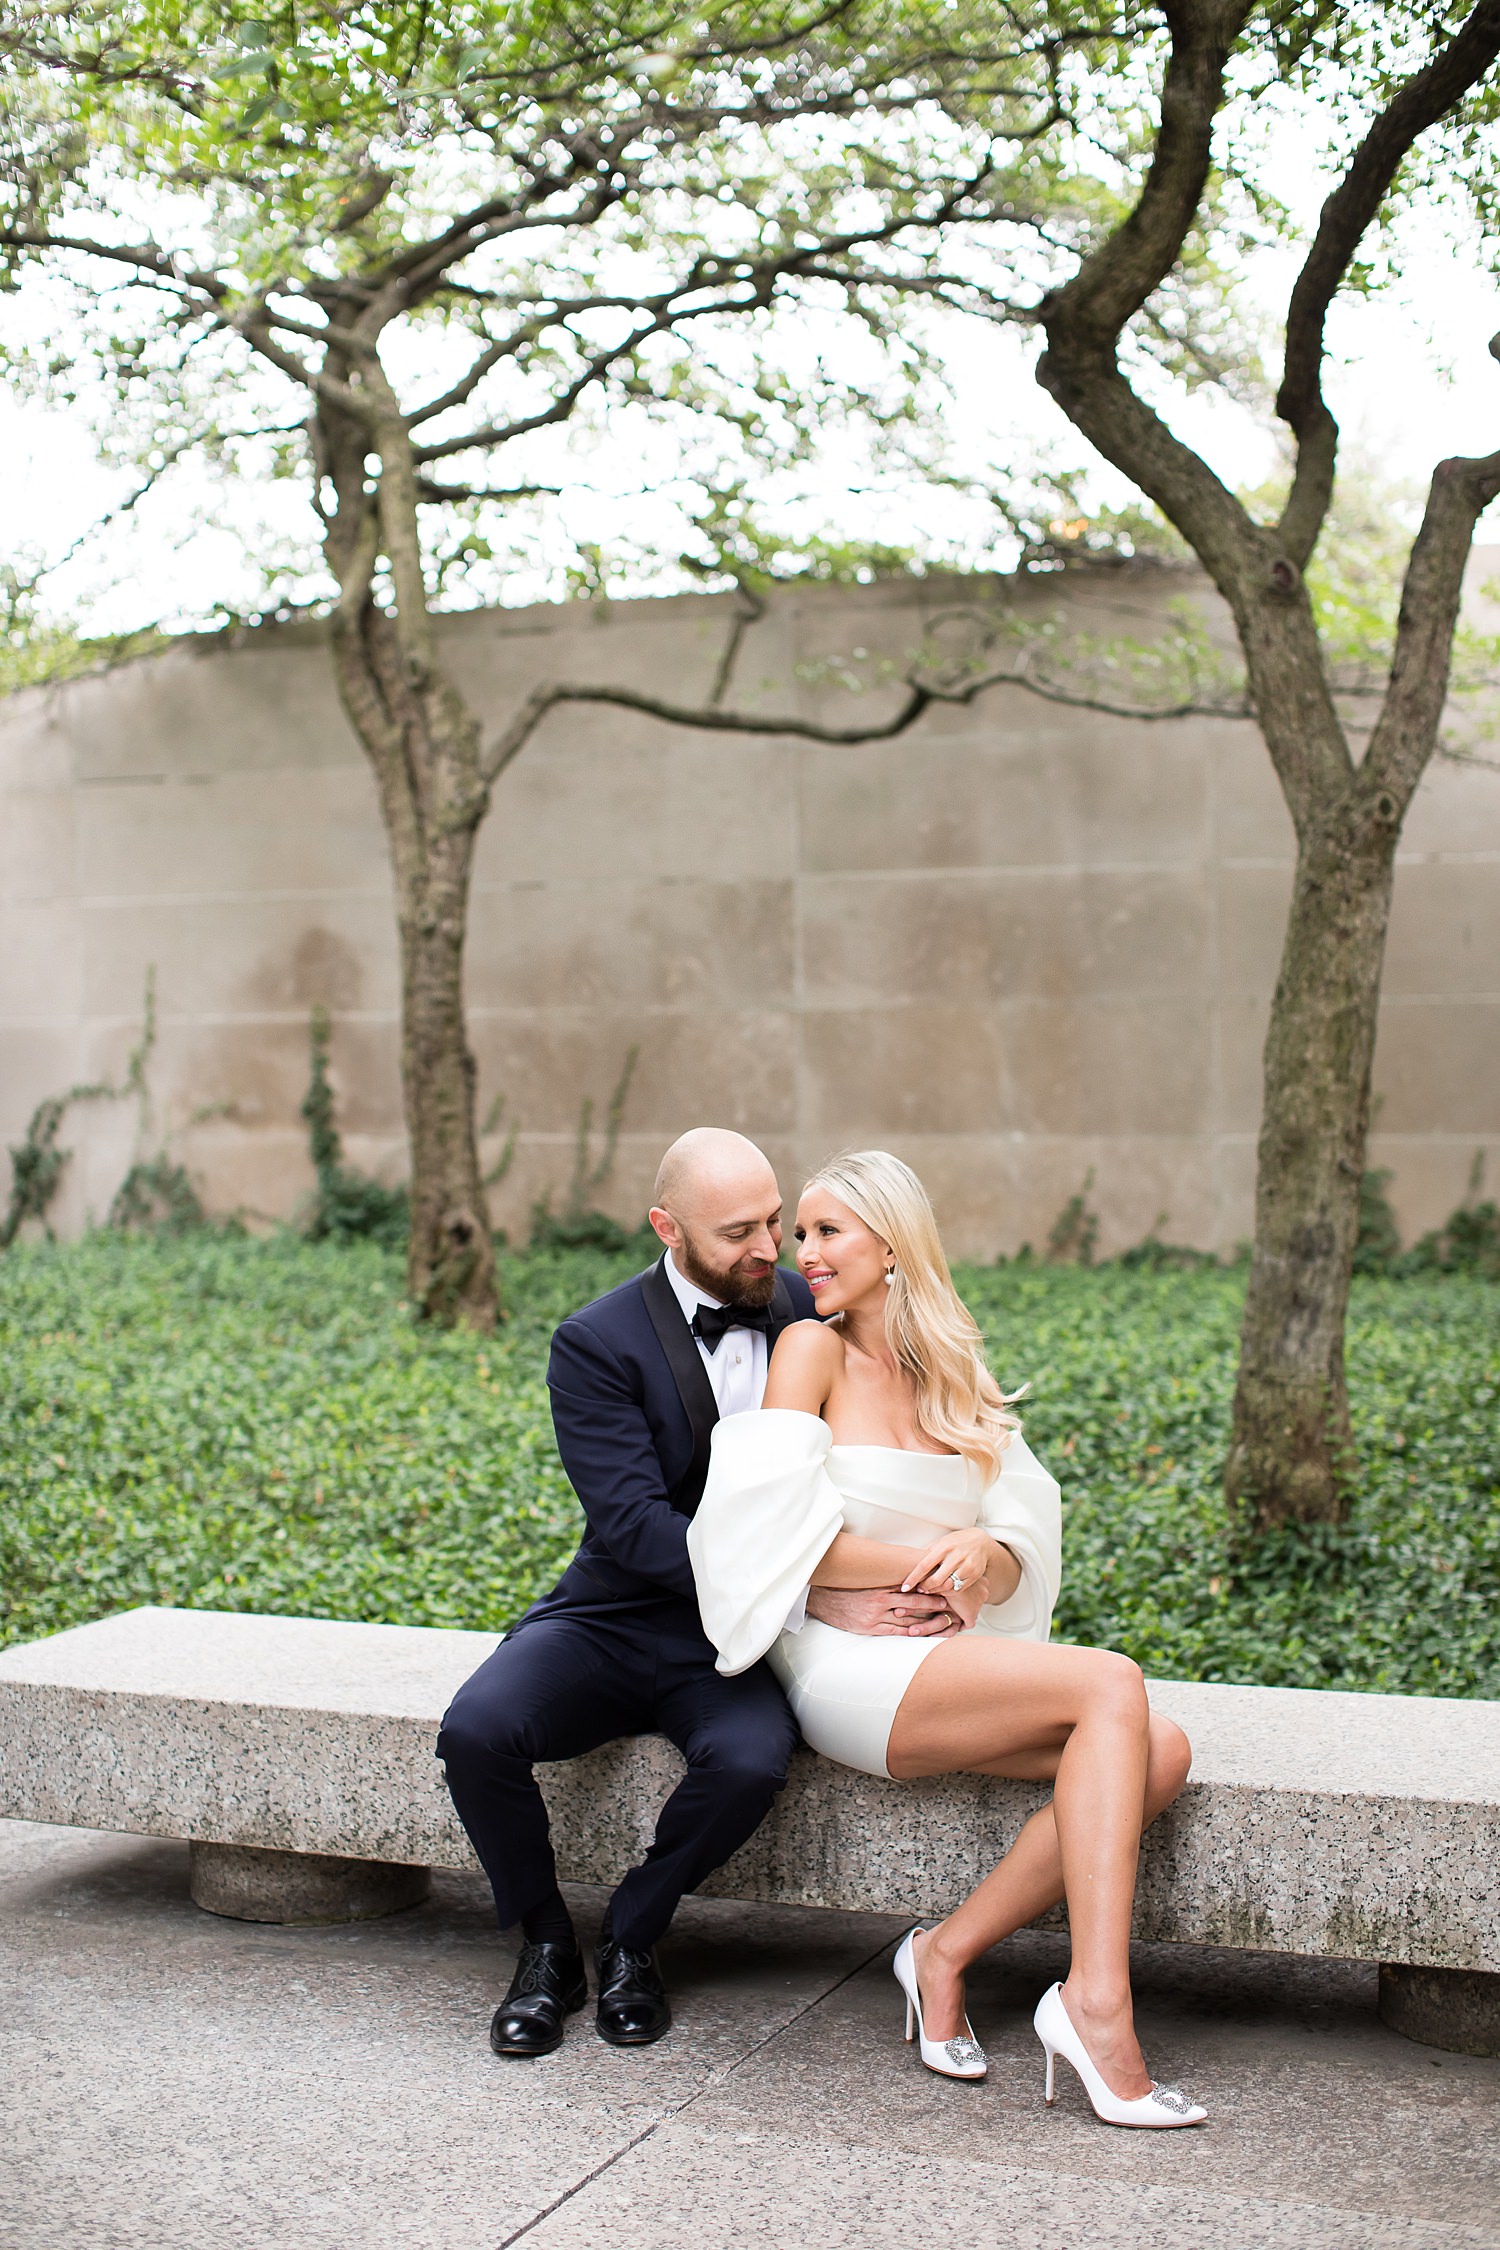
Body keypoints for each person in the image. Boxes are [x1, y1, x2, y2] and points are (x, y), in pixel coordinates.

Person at [689, 1148, 1206, 2129]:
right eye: (801, 1233)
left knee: (1163, 1749)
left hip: (943, 1652)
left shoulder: (955, 1368)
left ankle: (943, 1953)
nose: (806, 1252)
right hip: (849, 1664)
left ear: (893, 1244)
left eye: (827, 1230)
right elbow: (758, 1533)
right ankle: (1097, 2008)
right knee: (1112, 1685)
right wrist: (909, 1563)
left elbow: (1020, 1546)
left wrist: (980, 1551)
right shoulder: (810, 1351)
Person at [436, 1128, 961, 2060]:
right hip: (617, 1610)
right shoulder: (595, 1342)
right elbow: (636, 1528)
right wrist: (809, 1593)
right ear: (666, 1228)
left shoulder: (810, 1306)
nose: (771, 1250)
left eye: (775, 1220)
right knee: (477, 1731)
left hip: (740, 1638)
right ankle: (546, 1946)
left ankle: (633, 1933)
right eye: (738, 1234)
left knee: (753, 1760)